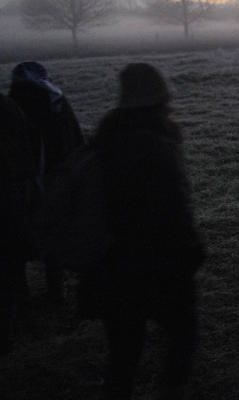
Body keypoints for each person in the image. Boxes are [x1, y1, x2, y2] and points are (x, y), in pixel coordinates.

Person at [82, 63, 205, 399]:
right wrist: (191, 247)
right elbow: (173, 203)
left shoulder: (107, 132)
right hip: (160, 258)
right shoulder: (158, 137)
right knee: (183, 333)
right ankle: (171, 390)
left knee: (123, 350)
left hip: (112, 260)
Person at [8, 61, 84, 302]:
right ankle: (55, 292)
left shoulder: (10, 105)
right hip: (56, 176)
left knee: (16, 239)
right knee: (52, 234)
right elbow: (75, 137)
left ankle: (21, 296)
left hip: (20, 181)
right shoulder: (58, 100)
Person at [0, 95, 40, 355]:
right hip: (16, 188)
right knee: (13, 261)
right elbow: (32, 142)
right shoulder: (10, 105)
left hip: (9, 189)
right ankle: (24, 315)